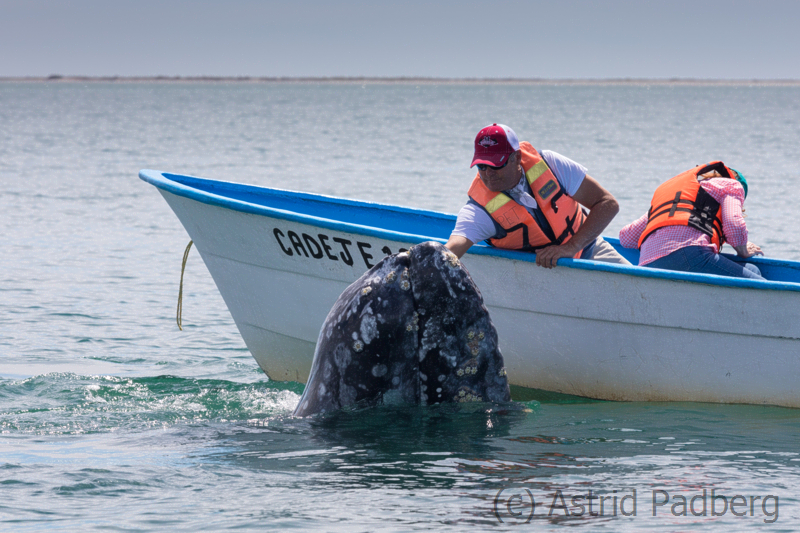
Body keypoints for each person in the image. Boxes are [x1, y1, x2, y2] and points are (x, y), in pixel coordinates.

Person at [445, 123, 630, 268]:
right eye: (481, 166)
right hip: (541, 271)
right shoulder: (479, 210)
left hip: (589, 247)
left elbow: (607, 203)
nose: (488, 173)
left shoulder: (551, 163)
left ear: (516, 157)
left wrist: (572, 246)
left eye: (496, 165)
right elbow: (453, 248)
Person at [618, 161, 764, 280]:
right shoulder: (732, 185)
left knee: (753, 270)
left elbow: (626, 238)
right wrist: (743, 250)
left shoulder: (681, 197)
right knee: (759, 285)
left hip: (646, 264)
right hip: (688, 255)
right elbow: (733, 225)